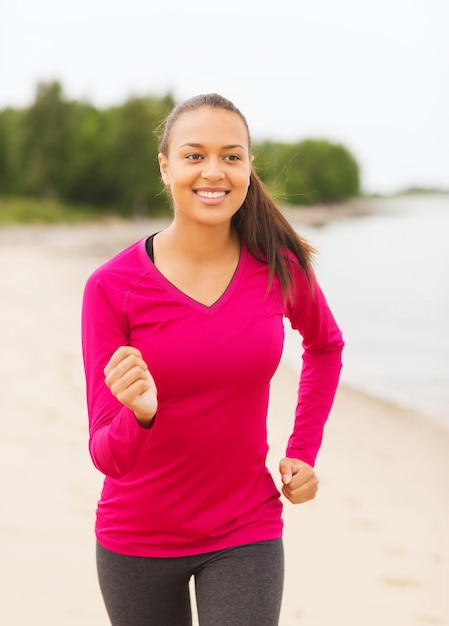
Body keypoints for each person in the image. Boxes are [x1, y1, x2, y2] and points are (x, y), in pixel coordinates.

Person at [81, 93, 344, 626]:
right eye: (194, 155)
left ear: (249, 167)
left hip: (246, 528)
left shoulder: (279, 267)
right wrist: (141, 414)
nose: (214, 172)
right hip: (137, 538)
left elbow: (325, 346)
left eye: (231, 155)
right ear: (166, 166)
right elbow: (107, 455)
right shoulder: (111, 288)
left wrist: (304, 451)